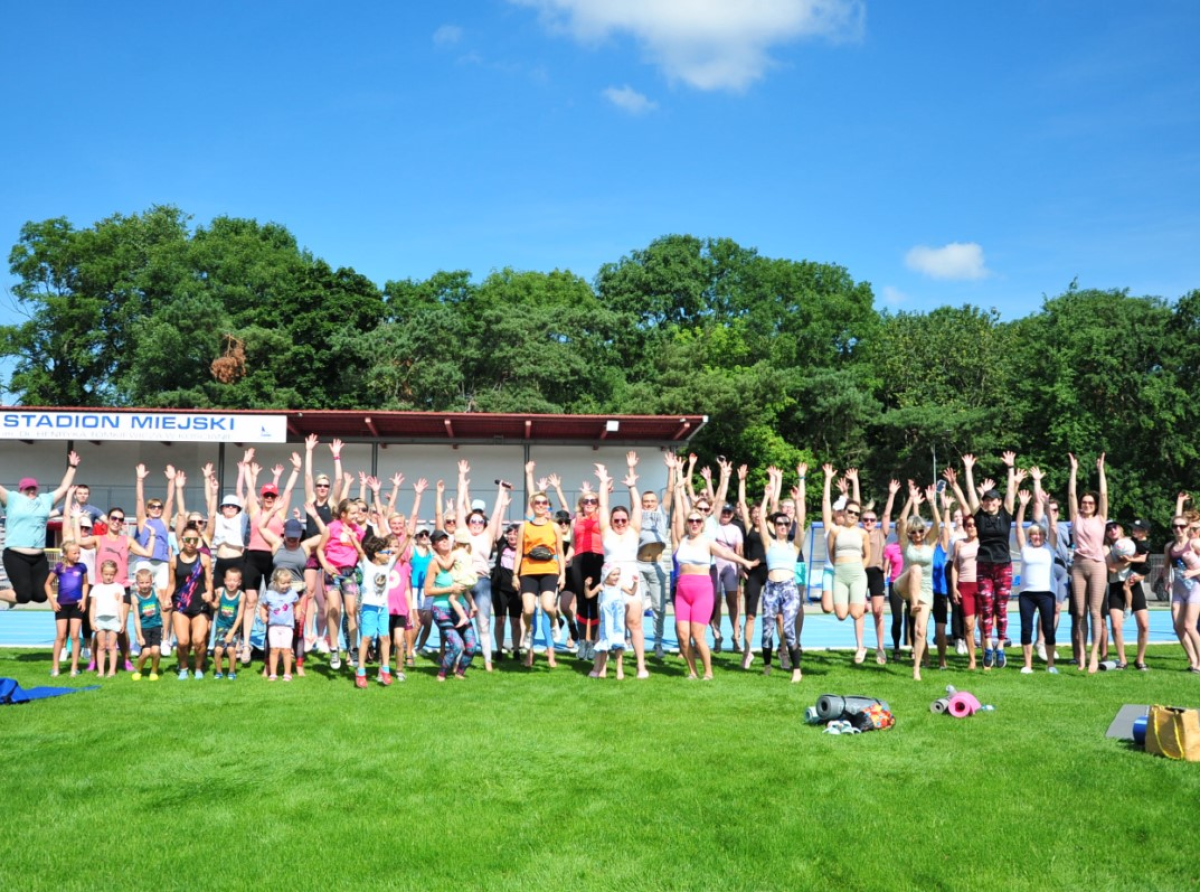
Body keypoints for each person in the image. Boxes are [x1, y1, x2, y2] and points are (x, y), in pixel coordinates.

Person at [669, 453, 759, 680]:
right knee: (682, 635)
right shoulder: (681, 540)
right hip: (682, 590)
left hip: (702, 588)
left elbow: (727, 553)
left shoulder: (708, 540)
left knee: (698, 635)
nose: (694, 524)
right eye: (691, 521)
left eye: (698, 521)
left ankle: (708, 672)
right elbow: (679, 510)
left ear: (703, 522)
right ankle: (692, 671)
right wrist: (679, 482)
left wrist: (745, 562)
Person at [951, 452, 1019, 671]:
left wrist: (1010, 468)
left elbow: (1011, 492)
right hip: (984, 565)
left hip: (1003, 565)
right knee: (987, 607)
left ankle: (1000, 646)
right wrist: (968, 470)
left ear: (998, 502)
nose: (989, 503)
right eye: (986, 500)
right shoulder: (979, 517)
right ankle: (987, 645)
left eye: (992, 500)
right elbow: (970, 493)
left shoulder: (1006, 513)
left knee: (1001, 606)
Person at [0, 451, 81, 608]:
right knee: (23, 596)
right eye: (27, 489)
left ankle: (13, 595)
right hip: (16, 555)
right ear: (21, 489)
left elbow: (64, 488)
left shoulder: (44, 500)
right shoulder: (12, 498)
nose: (31, 491)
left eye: (33, 488)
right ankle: (7, 595)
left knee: (41, 595)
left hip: (38, 557)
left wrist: (72, 466)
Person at [596, 454, 649, 679]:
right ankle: (602, 668)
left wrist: (632, 485)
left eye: (622, 519)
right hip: (609, 578)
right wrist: (602, 482)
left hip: (630, 575)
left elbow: (637, 506)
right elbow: (602, 504)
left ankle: (640, 666)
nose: (619, 523)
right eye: (616, 519)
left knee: (634, 622)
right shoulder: (606, 530)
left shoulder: (634, 530)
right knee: (607, 622)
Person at [755, 467, 805, 682]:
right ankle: (767, 665)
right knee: (767, 631)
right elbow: (761, 522)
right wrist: (767, 496)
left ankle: (796, 670)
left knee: (788, 628)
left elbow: (801, 522)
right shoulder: (769, 543)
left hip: (789, 587)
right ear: (774, 526)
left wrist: (798, 500)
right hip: (771, 588)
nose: (783, 526)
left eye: (786, 524)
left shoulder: (794, 546)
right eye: (779, 524)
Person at [820, 464, 870, 663]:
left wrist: (854, 483)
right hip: (833, 571)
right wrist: (827, 479)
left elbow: (855, 505)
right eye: (841, 512)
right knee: (830, 609)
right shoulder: (831, 529)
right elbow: (826, 503)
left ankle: (860, 646)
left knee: (856, 612)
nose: (845, 514)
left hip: (853, 571)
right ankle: (850, 600)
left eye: (848, 512)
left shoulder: (857, 530)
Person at [893, 484, 943, 681]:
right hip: (904, 585)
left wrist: (932, 503)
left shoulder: (930, 543)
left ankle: (916, 669)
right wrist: (910, 500)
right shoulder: (906, 544)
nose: (917, 535)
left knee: (921, 630)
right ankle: (912, 604)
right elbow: (902, 520)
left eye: (920, 531)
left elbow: (938, 525)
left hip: (925, 590)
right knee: (915, 568)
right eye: (913, 532)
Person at [1067, 452, 1109, 673]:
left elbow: (1103, 493)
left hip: (1097, 566)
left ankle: (1094, 656)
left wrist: (1100, 469)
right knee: (1080, 613)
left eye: (1090, 502)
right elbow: (1071, 494)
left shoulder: (1100, 518)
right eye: (1084, 502)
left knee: (1095, 612)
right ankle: (1081, 654)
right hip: (1078, 566)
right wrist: (1074, 469)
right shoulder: (1076, 518)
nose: (1086, 505)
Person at [514, 490, 566, 669]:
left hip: (549, 570)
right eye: (538, 503)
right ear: (532, 505)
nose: (541, 506)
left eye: (544, 503)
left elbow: (560, 552)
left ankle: (554, 624)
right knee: (528, 610)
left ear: (548, 506)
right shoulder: (524, 526)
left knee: (547, 606)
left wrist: (563, 574)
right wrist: (515, 574)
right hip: (528, 570)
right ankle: (528, 632)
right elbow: (519, 552)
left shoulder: (554, 527)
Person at [1014, 477, 1058, 674]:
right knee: (1026, 628)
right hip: (1027, 594)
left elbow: (1054, 527)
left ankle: (1050, 665)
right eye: (1034, 534)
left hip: (1046, 593)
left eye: (1040, 534)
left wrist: (1047, 506)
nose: (1037, 537)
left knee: (1048, 629)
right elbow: (1018, 526)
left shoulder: (1050, 547)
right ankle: (1028, 664)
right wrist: (1022, 506)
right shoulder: (1025, 548)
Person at [425, 529, 481, 680]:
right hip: (441, 608)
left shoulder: (459, 559)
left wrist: (472, 604)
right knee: (456, 645)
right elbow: (427, 591)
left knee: (471, 646)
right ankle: (442, 673)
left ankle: (460, 673)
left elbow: (463, 588)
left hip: (459, 608)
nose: (444, 541)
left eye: (446, 538)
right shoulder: (434, 563)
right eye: (440, 540)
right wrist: (450, 589)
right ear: (435, 545)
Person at [319, 497, 366, 671]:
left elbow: (361, 555)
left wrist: (354, 538)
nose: (357, 515)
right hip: (332, 573)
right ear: (343, 514)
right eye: (353, 512)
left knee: (352, 611)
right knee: (334, 610)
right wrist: (325, 565)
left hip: (349, 573)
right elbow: (320, 549)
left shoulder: (359, 531)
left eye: (358, 512)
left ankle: (353, 648)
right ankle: (334, 648)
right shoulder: (331, 528)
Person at [165, 522, 212, 680]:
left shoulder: (204, 559)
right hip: (180, 605)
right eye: (187, 539)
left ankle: (199, 669)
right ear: (182, 540)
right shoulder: (174, 560)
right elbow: (171, 584)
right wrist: (166, 598)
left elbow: (208, 582)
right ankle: (183, 668)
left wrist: (210, 593)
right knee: (183, 641)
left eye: (194, 540)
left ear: (198, 539)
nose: (191, 543)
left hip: (200, 605)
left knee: (198, 641)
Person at [945, 469, 980, 670]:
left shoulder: (983, 539)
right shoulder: (959, 542)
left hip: (981, 584)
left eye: (973, 524)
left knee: (984, 625)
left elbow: (968, 507)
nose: (971, 527)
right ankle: (971, 660)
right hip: (965, 584)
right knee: (968, 625)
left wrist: (957, 485)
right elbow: (955, 566)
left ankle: (986, 658)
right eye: (968, 525)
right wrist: (955, 587)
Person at [639, 457, 674, 660]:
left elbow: (669, 492)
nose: (650, 504)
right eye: (646, 502)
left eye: (652, 501)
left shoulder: (661, 513)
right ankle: (630, 638)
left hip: (657, 565)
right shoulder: (638, 514)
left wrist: (670, 470)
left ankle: (658, 643)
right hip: (639, 565)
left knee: (659, 607)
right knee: (634, 605)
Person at [863, 480, 900, 665]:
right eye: (866, 520)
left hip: (876, 573)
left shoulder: (880, 533)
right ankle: (860, 647)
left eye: (872, 520)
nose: (869, 522)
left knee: (878, 612)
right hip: (861, 574)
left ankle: (880, 648)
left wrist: (891, 494)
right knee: (860, 610)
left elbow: (887, 514)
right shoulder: (858, 534)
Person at [356, 535, 399, 687]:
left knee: (385, 637)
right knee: (366, 638)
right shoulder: (367, 565)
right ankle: (360, 672)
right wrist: (351, 537)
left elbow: (400, 553)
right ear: (376, 554)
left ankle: (385, 670)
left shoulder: (387, 566)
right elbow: (360, 552)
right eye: (386, 552)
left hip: (383, 607)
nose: (390, 554)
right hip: (369, 607)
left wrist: (408, 536)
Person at [736, 464, 767, 670]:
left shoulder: (770, 526)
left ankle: (781, 651)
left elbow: (770, 505)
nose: (756, 515)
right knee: (750, 615)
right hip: (753, 573)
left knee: (778, 615)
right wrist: (741, 481)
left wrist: (770, 489)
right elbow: (741, 501)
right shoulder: (748, 527)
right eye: (754, 512)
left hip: (770, 571)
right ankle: (747, 652)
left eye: (759, 512)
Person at [46, 539, 89, 676]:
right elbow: (47, 584)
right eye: (74, 553)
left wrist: (83, 599)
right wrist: (52, 602)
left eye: (79, 553)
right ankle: (55, 667)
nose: (77, 555)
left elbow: (85, 584)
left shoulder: (82, 567)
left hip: (76, 605)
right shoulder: (59, 567)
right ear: (65, 554)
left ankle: (74, 667)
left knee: (75, 635)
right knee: (61, 635)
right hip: (62, 606)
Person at [1165, 514, 1200, 672]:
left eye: (1182, 526)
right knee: (1178, 626)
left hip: (1195, 587)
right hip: (1179, 588)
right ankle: (1193, 661)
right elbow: (1167, 566)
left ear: (1188, 528)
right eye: (1175, 526)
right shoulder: (1169, 546)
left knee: (1189, 626)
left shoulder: (1194, 543)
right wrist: (1167, 579)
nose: (1178, 529)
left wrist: (1193, 573)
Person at [589, 564, 633, 680]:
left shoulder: (619, 586)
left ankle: (619, 670)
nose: (616, 577)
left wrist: (636, 583)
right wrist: (586, 586)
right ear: (606, 575)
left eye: (618, 574)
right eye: (614, 574)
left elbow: (632, 592)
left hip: (617, 621)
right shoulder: (601, 586)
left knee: (618, 642)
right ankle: (603, 670)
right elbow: (588, 595)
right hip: (606, 620)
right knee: (605, 642)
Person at [261, 569, 301, 681]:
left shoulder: (292, 594)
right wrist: (263, 616)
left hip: (287, 627)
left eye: (288, 582)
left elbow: (297, 604)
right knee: (274, 649)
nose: (286, 585)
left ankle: (287, 673)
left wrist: (298, 614)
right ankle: (273, 673)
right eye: (283, 583)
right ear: (275, 583)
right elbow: (263, 607)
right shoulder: (269, 595)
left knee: (286, 650)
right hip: (273, 627)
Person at [89, 560, 126, 678]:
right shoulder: (96, 588)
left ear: (115, 574)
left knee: (111, 646)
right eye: (106, 574)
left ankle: (112, 670)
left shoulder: (119, 587)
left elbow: (120, 606)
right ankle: (100, 671)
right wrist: (91, 620)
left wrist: (122, 622)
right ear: (101, 573)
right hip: (99, 619)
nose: (109, 576)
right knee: (101, 646)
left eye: (111, 574)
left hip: (114, 619)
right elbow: (93, 606)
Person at [129, 568, 166, 680]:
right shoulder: (135, 597)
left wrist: (166, 604)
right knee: (145, 653)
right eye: (141, 583)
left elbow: (163, 606)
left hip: (156, 626)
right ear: (137, 583)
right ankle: (138, 670)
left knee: (155, 651)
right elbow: (136, 618)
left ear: (151, 582)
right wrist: (139, 636)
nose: (144, 585)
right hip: (144, 628)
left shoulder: (156, 592)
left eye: (147, 582)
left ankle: (153, 672)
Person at [211, 568, 246, 680]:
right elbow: (215, 606)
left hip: (233, 627)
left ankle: (231, 672)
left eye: (235, 580)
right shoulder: (220, 592)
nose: (232, 583)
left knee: (231, 650)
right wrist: (209, 601)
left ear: (239, 582)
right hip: (221, 625)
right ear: (225, 580)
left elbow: (240, 616)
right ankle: (219, 672)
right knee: (218, 650)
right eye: (229, 580)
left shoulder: (241, 595)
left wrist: (232, 632)